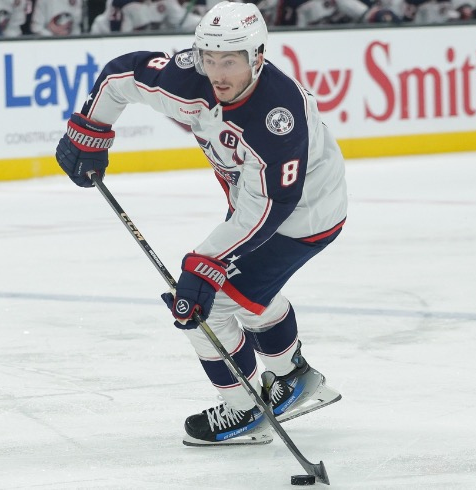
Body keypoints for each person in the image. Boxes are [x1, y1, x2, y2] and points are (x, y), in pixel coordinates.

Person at [56, 1, 346, 446]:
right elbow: (120, 77)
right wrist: (91, 131)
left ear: (258, 58)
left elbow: (271, 207)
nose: (218, 73)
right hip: (253, 204)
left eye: (229, 60)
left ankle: (246, 408)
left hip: (304, 215)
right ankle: (295, 377)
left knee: (203, 304)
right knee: (242, 291)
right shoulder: (188, 77)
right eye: (210, 59)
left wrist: (203, 263)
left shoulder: (276, 117)